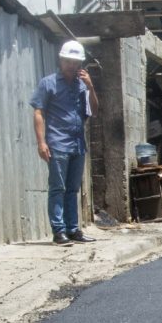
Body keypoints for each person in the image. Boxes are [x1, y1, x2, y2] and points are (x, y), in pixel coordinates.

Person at [30, 39, 99, 246]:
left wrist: (91, 87)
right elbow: (38, 112)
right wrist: (41, 142)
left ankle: (73, 229)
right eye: (68, 61)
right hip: (58, 143)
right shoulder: (48, 83)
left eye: (76, 62)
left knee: (72, 189)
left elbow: (95, 111)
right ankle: (59, 231)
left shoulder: (81, 85)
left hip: (77, 144)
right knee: (57, 188)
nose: (72, 65)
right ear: (61, 60)